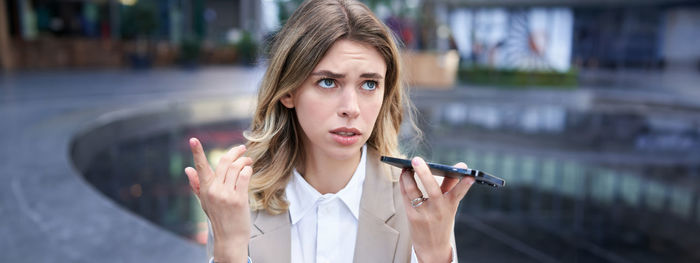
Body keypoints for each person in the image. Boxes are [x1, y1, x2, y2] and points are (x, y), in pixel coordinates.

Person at [184, 0, 475, 262]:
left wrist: (436, 256)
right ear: (288, 91)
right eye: (328, 82)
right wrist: (231, 250)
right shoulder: (235, 200)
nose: (351, 108)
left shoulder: (421, 205)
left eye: (369, 84)